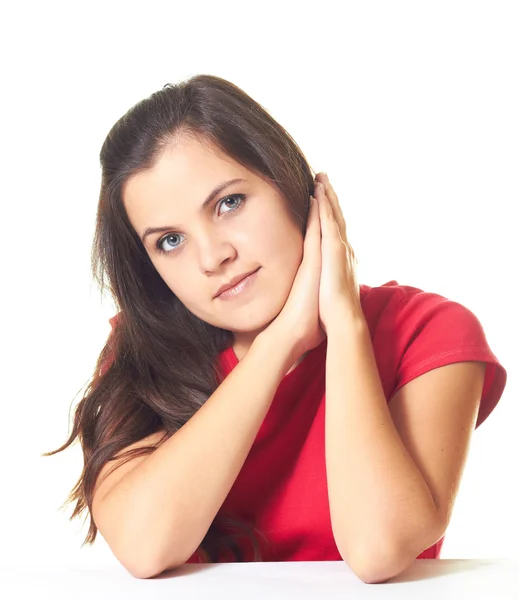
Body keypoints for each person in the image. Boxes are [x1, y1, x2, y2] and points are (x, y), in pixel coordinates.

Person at [43, 74, 507, 583]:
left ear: (292, 186)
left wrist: (345, 324)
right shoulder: (141, 353)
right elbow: (145, 545)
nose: (214, 256)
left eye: (229, 203)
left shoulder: (428, 333)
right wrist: (280, 343)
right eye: (170, 241)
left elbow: (378, 550)